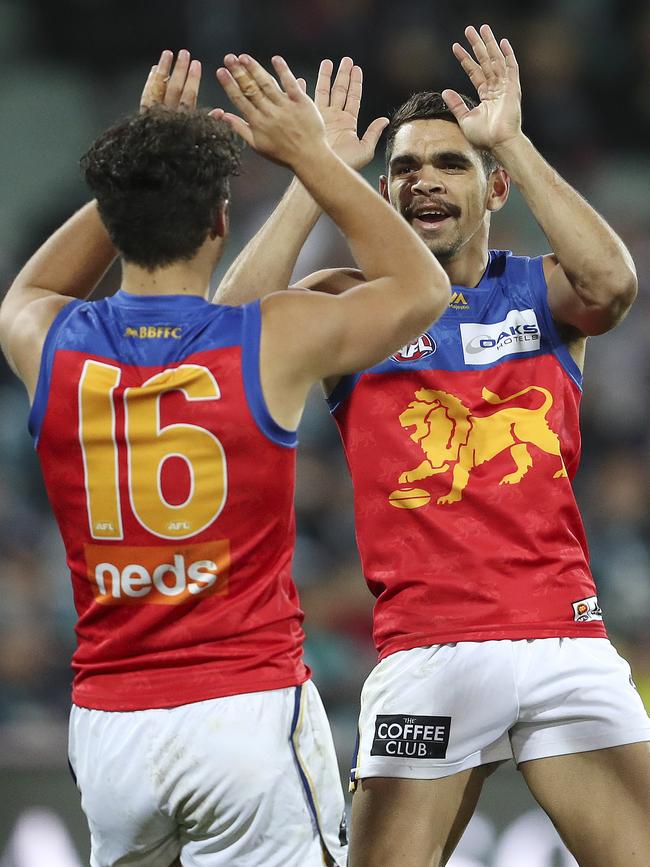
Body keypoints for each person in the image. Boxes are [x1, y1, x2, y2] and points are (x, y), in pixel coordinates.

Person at [0, 49, 450, 867]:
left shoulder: (47, 339)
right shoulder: (266, 339)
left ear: (114, 215)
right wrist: (314, 162)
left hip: (112, 731)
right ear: (219, 223)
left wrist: (143, 160)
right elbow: (422, 289)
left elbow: (24, 292)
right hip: (246, 711)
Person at [214, 25, 650, 867]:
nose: (424, 180)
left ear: (491, 187)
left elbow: (614, 285)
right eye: (405, 167)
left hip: (563, 639)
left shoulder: (541, 290)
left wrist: (511, 139)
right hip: (428, 649)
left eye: (450, 163)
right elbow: (226, 334)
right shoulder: (350, 303)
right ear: (382, 194)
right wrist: (317, 173)